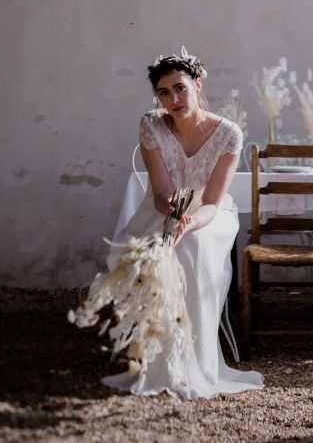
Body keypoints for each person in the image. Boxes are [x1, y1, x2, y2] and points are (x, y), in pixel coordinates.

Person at [103, 47, 264, 399]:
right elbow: (160, 192)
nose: (173, 99)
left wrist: (188, 223)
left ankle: (195, 362)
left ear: (197, 83)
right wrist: (172, 214)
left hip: (209, 216)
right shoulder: (151, 125)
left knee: (190, 247)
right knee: (159, 248)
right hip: (161, 210)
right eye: (163, 92)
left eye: (179, 88)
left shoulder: (229, 134)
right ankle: (157, 361)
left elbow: (211, 202)